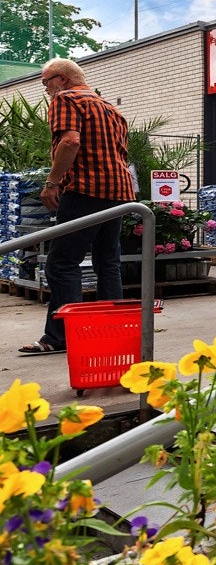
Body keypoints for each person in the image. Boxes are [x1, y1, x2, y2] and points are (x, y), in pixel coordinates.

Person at [20, 59, 139, 356]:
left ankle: (60, 338)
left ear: (61, 79)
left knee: (61, 263)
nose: (45, 88)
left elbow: (70, 142)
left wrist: (52, 183)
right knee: (107, 263)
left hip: (86, 189)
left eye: (46, 81)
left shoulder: (66, 99)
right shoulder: (111, 108)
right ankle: (112, 333)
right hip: (119, 192)